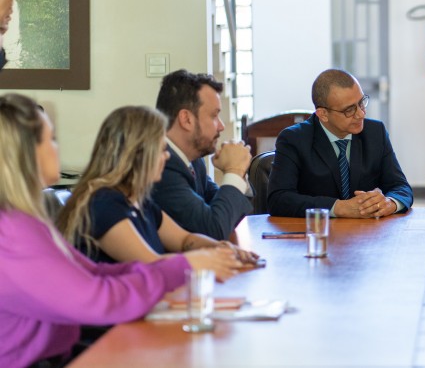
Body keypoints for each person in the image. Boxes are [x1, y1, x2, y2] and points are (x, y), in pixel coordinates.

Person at [0, 94, 192, 367]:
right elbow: (100, 300)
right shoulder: (13, 233)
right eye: (50, 139)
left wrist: (185, 265)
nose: (57, 148)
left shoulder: (25, 222)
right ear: (26, 153)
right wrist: (185, 267)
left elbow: (93, 273)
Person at [57, 106, 258, 275]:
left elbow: (184, 239)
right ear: (136, 154)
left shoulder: (138, 200)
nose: (167, 157)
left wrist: (220, 248)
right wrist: (207, 260)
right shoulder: (103, 204)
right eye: (161, 150)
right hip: (110, 319)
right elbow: (151, 265)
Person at [267, 68, 413, 218]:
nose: (361, 114)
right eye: (349, 110)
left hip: (367, 235)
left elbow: (401, 187)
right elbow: (278, 199)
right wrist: (338, 207)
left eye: (362, 102)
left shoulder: (375, 133)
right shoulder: (294, 139)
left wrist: (390, 203)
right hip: (317, 234)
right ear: (323, 114)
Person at [152, 69, 253, 240]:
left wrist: (239, 173)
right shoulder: (162, 166)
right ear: (186, 119)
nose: (221, 126)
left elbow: (225, 213)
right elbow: (214, 229)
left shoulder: (193, 161)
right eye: (214, 116)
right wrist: (234, 171)